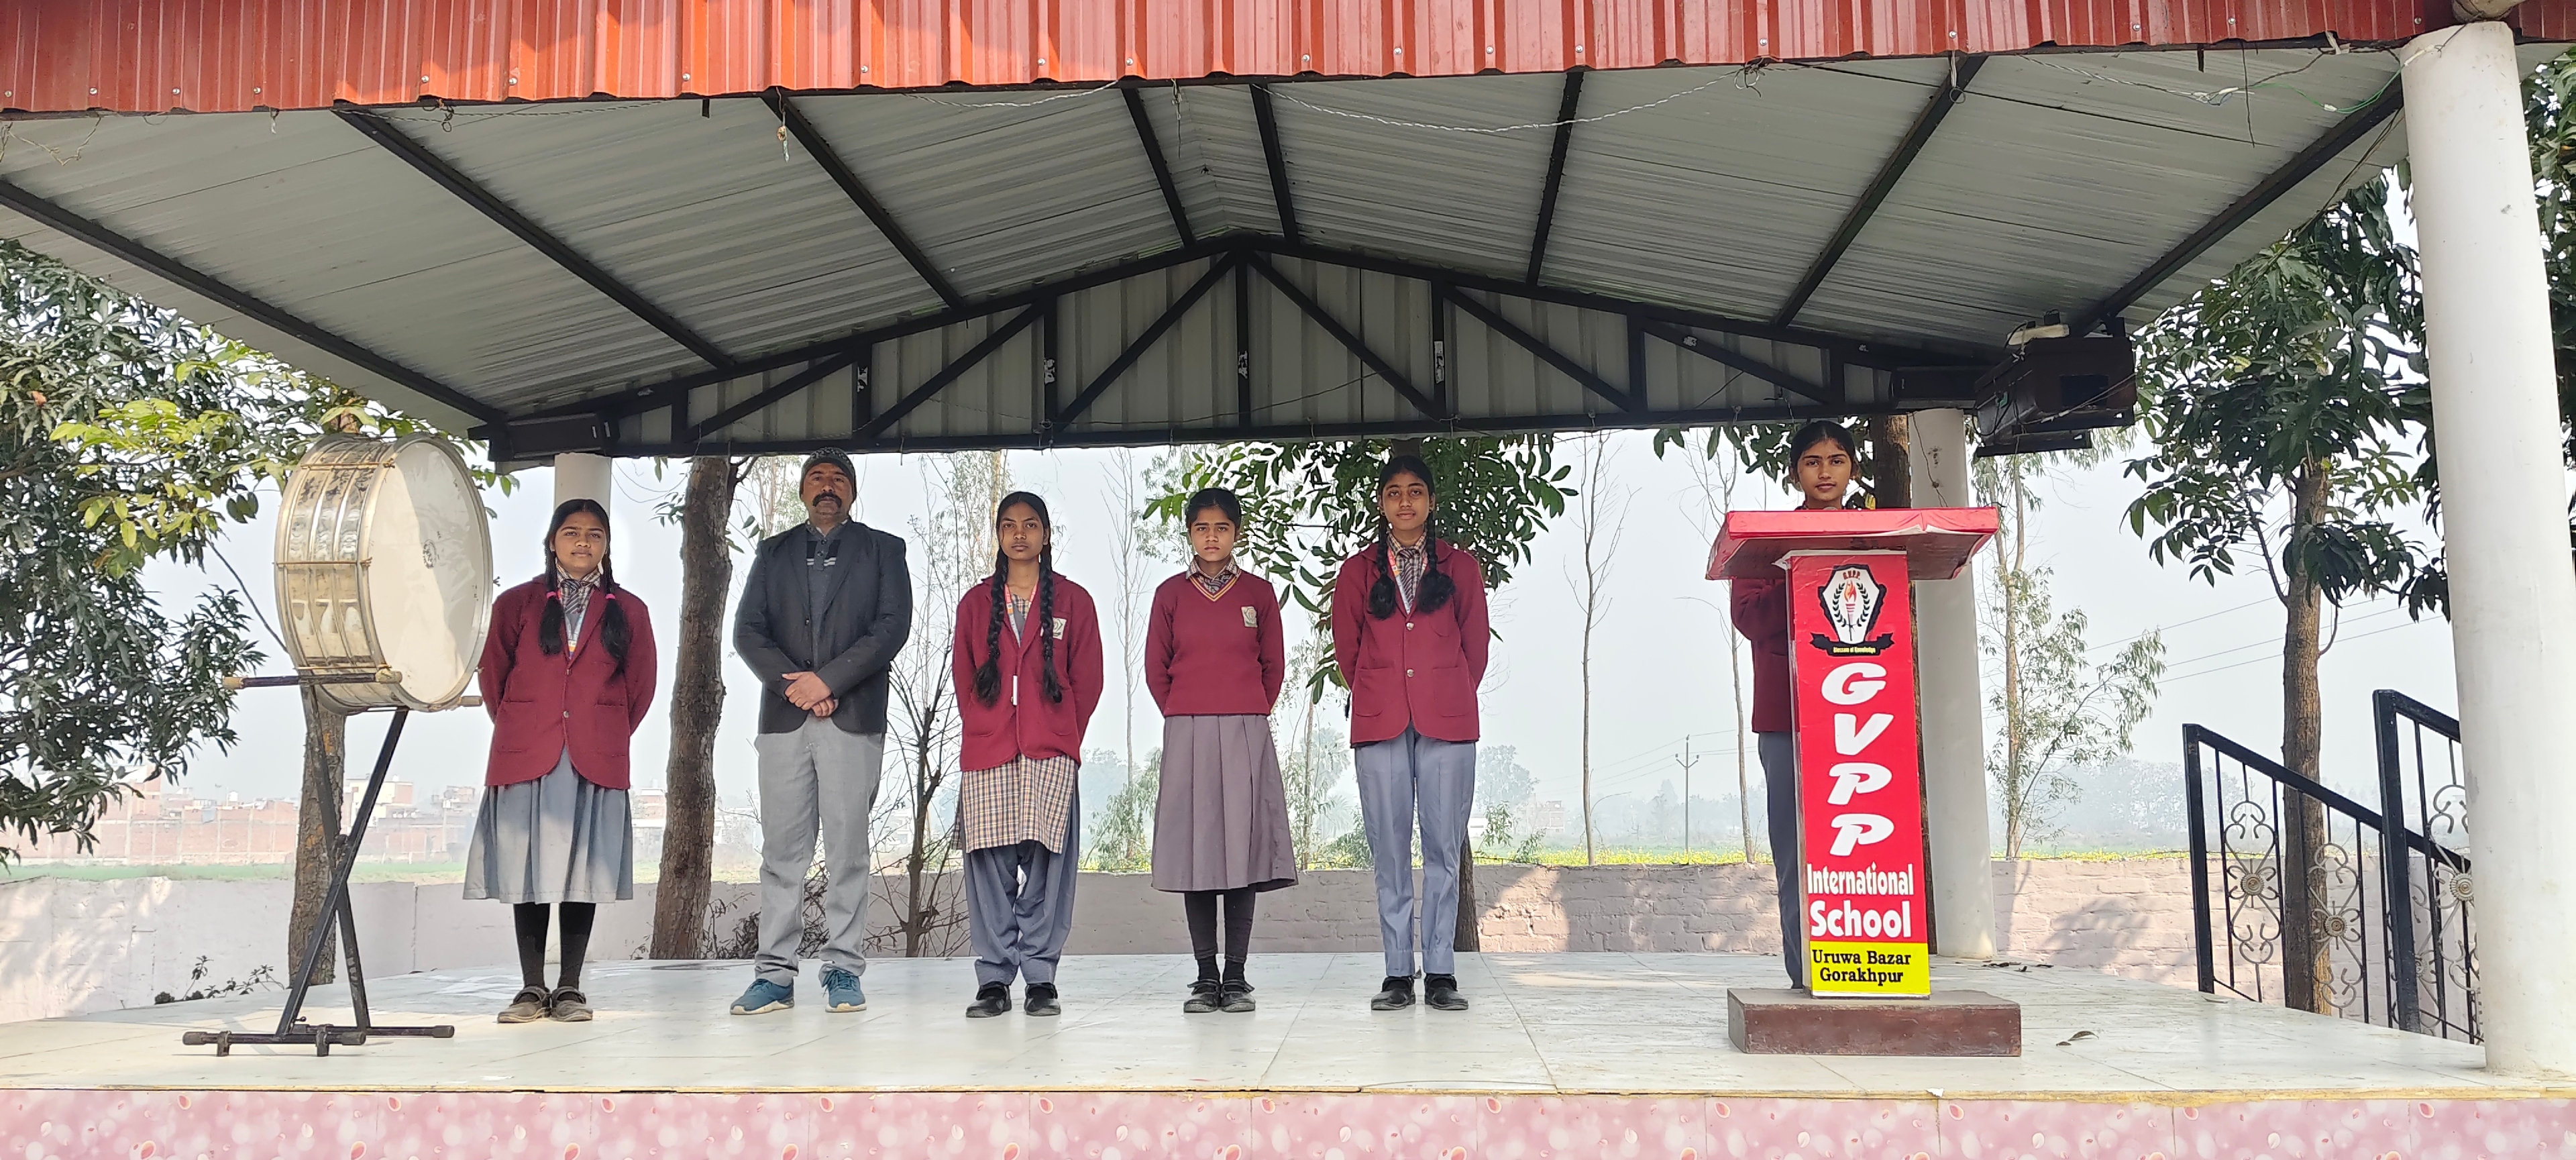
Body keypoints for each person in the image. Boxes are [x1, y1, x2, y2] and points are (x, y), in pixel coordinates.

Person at [727, 448, 914, 1017]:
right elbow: (747, 631)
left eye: (838, 479)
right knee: (782, 852)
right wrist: (797, 688)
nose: (827, 486)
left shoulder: (884, 550)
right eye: (817, 478)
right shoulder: (773, 552)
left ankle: (842, 969)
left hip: (852, 718)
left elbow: (891, 628)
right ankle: (774, 976)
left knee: (849, 850)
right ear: (803, 491)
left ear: (852, 493)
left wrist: (827, 681)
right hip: (786, 721)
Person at [467, 498, 656, 1024]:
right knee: (529, 871)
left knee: (582, 871)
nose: (582, 543)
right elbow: (494, 678)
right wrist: (530, 724)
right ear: (552, 540)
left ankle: (569, 987)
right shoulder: (517, 603)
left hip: (593, 757)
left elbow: (640, 688)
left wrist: (598, 728)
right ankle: (531, 987)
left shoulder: (629, 609)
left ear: (607, 545)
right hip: (529, 750)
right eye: (571, 532)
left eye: (595, 535)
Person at [1330, 455, 1491, 1013]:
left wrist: (1443, 689)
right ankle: (1398, 971)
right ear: (1380, 502)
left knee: (1444, 847)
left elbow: (1476, 648)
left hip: (1447, 720)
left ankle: (1441, 970)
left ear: (1430, 501)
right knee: (1390, 850)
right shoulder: (1356, 572)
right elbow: (1347, 652)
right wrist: (1380, 691)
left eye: (1416, 491)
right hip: (1380, 722)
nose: (1405, 502)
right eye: (1394, 492)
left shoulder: (1461, 567)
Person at [1144, 487, 1297, 1014]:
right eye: (1202, 527)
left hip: (1245, 731)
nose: (1212, 537)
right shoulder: (1169, 595)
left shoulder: (1259, 593)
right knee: (1198, 853)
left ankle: (1236, 975)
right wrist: (1187, 711)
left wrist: (1244, 709)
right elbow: (1155, 669)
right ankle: (1205, 975)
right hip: (1186, 730)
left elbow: (1273, 668)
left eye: (1222, 528)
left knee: (1243, 853)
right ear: (1189, 533)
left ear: (1237, 533)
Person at [952, 492, 1104, 1018]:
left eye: (1031, 524)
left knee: (1048, 869)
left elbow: (1089, 680)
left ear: (1045, 535)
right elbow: (965, 681)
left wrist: (1062, 734)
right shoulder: (975, 604)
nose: (1020, 534)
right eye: (1010, 525)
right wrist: (986, 727)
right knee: (989, 869)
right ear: (997, 534)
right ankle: (993, 978)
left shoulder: (1074, 601)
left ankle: (1041, 976)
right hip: (989, 752)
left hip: (1050, 753)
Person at [1729, 419, 1861, 990]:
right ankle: (1805, 967)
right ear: (1794, 471)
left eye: (1836, 459)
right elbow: (1749, 618)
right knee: (1794, 843)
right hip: (1787, 715)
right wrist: (1804, 578)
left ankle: (1869, 960)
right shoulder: (1767, 540)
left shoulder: (1874, 536)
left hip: (1863, 715)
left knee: (1861, 841)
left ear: (1852, 467)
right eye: (1813, 461)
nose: (1825, 471)